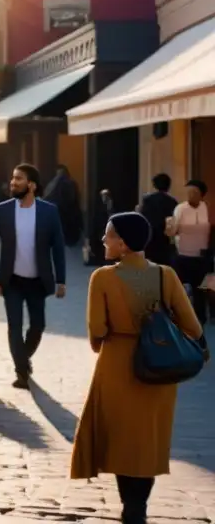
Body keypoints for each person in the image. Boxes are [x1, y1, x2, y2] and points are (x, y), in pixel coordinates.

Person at [71, 212, 206, 524]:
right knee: (148, 442)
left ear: (123, 243)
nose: (104, 240)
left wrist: (108, 341)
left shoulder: (102, 278)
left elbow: (97, 329)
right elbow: (192, 325)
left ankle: (129, 506)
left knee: (121, 441)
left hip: (117, 363)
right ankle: (139, 506)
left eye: (109, 235)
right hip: (159, 368)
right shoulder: (165, 275)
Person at [0, 163, 67, 389]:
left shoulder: (49, 211)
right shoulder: (1, 210)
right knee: (14, 326)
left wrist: (61, 280)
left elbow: (58, 248)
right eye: (13, 178)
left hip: (37, 282)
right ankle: (21, 372)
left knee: (38, 326)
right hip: (11, 281)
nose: (13, 182)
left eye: (19, 179)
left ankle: (23, 358)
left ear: (31, 185)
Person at [168, 179, 211, 325]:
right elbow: (172, 231)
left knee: (200, 289)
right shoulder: (181, 208)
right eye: (188, 192)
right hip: (183, 255)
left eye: (195, 192)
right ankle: (180, 317)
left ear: (202, 195)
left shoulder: (205, 207)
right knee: (180, 289)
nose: (191, 195)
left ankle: (200, 318)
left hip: (201, 256)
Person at [137, 173, 178, 266]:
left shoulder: (147, 200)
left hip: (150, 237)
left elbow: (142, 218)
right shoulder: (172, 201)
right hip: (164, 238)